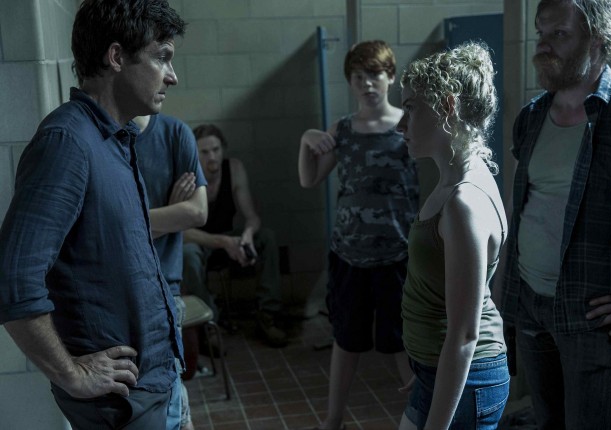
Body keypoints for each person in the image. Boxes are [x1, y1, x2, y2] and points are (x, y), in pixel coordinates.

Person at [0, 1, 187, 428]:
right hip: (123, 403)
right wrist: (72, 374)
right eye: (162, 57)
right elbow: (13, 280)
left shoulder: (115, 138)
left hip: (156, 384)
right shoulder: (67, 141)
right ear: (116, 57)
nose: (172, 76)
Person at [499, 0, 611, 429]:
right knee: (547, 423)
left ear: (597, 40)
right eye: (541, 33)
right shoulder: (531, 117)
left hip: (591, 317)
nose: (543, 45)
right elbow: (523, 211)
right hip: (530, 304)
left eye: (559, 34)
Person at [298, 40, 419, 430]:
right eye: (358, 77)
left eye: (375, 75)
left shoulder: (408, 125)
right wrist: (306, 140)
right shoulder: (344, 130)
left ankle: (424, 420)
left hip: (398, 256)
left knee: (402, 342)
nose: (367, 84)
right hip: (349, 254)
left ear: (391, 77)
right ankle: (333, 420)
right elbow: (309, 178)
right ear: (350, 82)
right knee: (346, 340)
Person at [396, 42, 509, 430]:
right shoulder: (454, 180)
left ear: (446, 107)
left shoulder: (464, 201)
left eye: (410, 108)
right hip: (440, 371)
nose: (400, 124)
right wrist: (426, 363)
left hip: (468, 377)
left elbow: (464, 336)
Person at [182, 124, 288, 347]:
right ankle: (209, 323)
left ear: (223, 149)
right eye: (205, 152)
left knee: (266, 237)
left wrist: (247, 235)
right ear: (194, 153)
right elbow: (182, 232)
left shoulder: (234, 169)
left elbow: (252, 217)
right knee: (188, 255)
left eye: (216, 150)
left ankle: (267, 314)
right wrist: (223, 242)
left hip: (229, 236)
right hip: (201, 241)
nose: (212, 157)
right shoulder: (187, 176)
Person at [134, 113, 208, 430]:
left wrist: (129, 225)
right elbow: (98, 228)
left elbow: (197, 212)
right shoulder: (100, 135)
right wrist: (169, 214)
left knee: (170, 396)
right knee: (149, 402)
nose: (168, 86)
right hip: (116, 290)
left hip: (164, 288)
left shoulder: (175, 133)